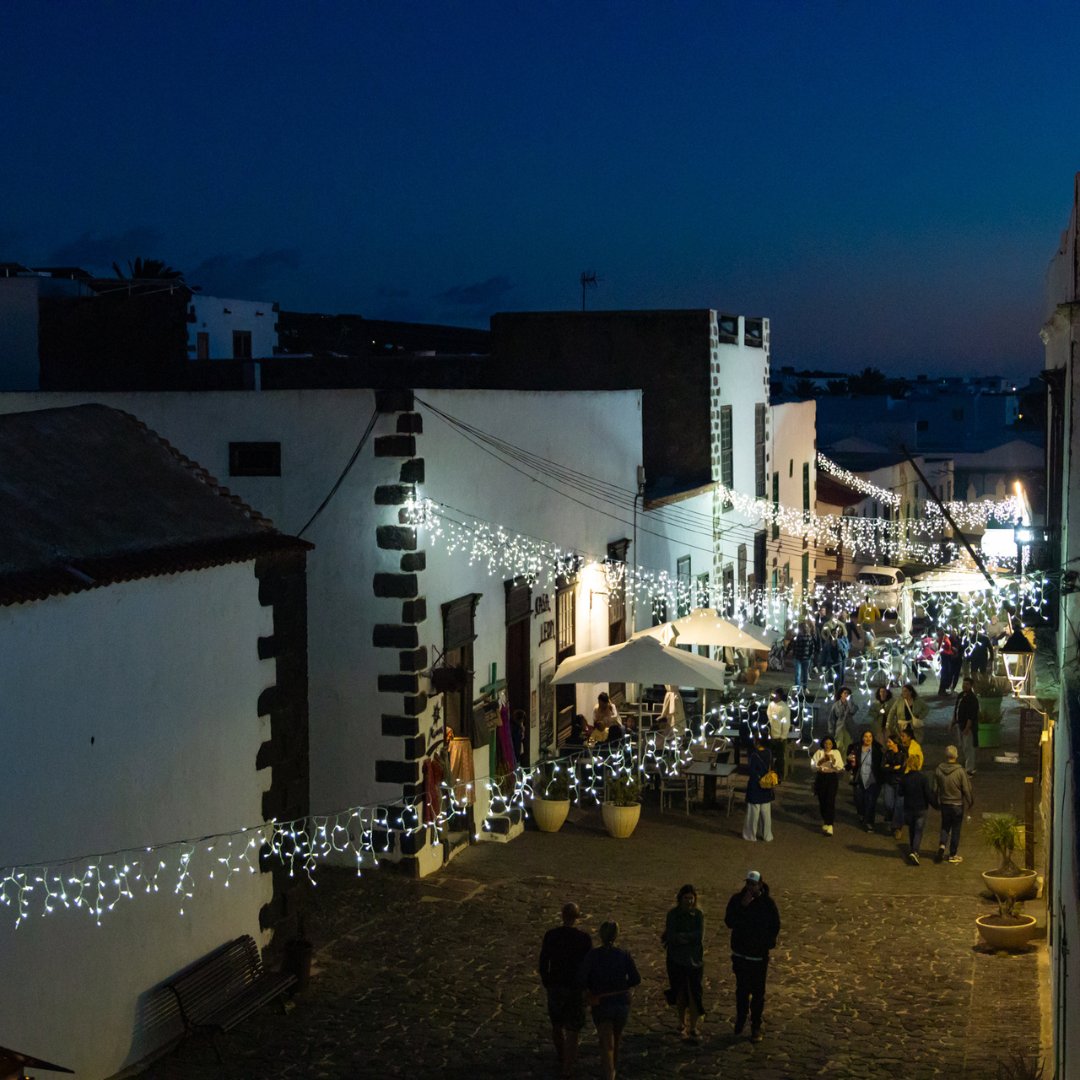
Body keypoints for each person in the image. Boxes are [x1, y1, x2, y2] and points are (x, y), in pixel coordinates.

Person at [578, 920, 641, 1080]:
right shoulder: (623, 954)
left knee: (606, 1043)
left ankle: (609, 1073)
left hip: (602, 1002)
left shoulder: (593, 955)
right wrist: (621, 985)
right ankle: (613, 1066)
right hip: (621, 1002)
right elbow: (635, 978)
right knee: (616, 1037)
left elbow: (582, 978)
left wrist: (589, 990)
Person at [725, 870, 781, 1043]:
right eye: (748, 883)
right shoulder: (737, 900)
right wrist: (742, 906)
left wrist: (767, 943)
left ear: (760, 885)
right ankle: (741, 1019)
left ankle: (755, 1025)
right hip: (741, 955)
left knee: (758, 993)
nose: (750, 887)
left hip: (758, 957)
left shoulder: (767, 904)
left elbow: (775, 925)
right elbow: (729, 921)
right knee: (741, 990)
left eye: (753, 884)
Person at [539, 902, 593, 1077]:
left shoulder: (551, 935)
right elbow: (587, 966)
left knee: (556, 1024)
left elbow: (543, 961)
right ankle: (567, 1066)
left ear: (562, 915)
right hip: (575, 987)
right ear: (577, 917)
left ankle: (562, 1055)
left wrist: (547, 981)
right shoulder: (584, 939)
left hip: (555, 985)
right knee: (573, 1029)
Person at [661, 884, 705, 1042]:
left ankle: (693, 1025)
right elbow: (672, 935)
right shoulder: (673, 914)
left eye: (691, 898)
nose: (689, 901)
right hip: (677, 959)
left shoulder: (698, 915)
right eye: (686, 898)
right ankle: (681, 1021)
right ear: (681, 898)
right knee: (679, 991)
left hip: (694, 960)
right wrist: (686, 937)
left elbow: (698, 935)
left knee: (694, 994)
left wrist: (683, 937)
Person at [934, 746, 975, 864]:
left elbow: (935, 788)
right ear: (956, 756)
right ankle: (952, 854)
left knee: (945, 826)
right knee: (956, 829)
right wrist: (970, 802)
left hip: (944, 803)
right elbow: (966, 789)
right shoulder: (960, 771)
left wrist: (936, 802)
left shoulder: (938, 769)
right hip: (957, 804)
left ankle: (942, 846)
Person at [899, 752, 936, 865]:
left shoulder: (904, 778)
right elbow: (928, 794)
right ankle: (914, 851)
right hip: (921, 808)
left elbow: (900, 793)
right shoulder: (923, 778)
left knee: (912, 829)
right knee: (918, 830)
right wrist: (936, 805)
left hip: (908, 808)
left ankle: (912, 849)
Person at [847, 728, 882, 833]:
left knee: (871, 801)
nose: (868, 739)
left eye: (870, 736)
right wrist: (850, 762)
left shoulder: (877, 749)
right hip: (860, 778)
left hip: (872, 779)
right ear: (862, 738)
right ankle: (861, 814)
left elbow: (881, 764)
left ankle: (869, 823)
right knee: (859, 800)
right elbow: (850, 763)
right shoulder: (856, 748)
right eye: (866, 736)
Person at [743, 736, 775, 842]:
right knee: (766, 813)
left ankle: (750, 835)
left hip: (755, 785)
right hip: (767, 784)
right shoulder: (769, 753)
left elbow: (751, 770)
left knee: (753, 811)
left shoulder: (754, 754)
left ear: (757, 742)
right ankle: (767, 835)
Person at [810, 735, 844, 835]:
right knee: (822, 800)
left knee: (830, 800)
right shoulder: (819, 752)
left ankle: (830, 824)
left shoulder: (836, 753)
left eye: (829, 743)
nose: (828, 745)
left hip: (832, 778)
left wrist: (833, 762)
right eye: (826, 743)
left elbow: (840, 767)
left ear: (832, 744)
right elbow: (813, 765)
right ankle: (825, 819)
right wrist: (819, 765)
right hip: (821, 777)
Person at [879, 734, 907, 840]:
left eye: (889, 742)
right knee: (888, 803)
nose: (887, 744)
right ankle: (892, 819)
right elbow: (882, 767)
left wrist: (889, 767)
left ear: (895, 743)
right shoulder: (887, 754)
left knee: (899, 805)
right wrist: (893, 767)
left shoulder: (903, 754)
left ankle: (897, 828)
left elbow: (901, 769)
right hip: (889, 782)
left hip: (900, 782)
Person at [952, 677, 979, 776]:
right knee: (964, 747)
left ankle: (969, 770)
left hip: (968, 727)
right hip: (960, 725)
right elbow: (957, 710)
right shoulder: (961, 695)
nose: (964, 686)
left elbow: (971, 715)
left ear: (971, 686)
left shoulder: (972, 699)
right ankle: (967, 767)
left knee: (969, 748)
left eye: (967, 684)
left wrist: (967, 728)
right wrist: (953, 722)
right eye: (964, 684)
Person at [766, 688, 792, 780]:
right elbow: (769, 715)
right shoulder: (771, 705)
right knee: (770, 756)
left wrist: (783, 736)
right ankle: (770, 773)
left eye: (775, 695)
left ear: (779, 696)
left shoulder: (784, 708)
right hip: (771, 735)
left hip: (779, 737)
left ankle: (779, 775)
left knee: (780, 757)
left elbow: (786, 723)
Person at [827, 686, 858, 756]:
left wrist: (849, 702)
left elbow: (853, 711)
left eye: (848, 694)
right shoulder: (836, 705)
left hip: (849, 728)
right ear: (841, 694)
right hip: (839, 728)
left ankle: (844, 763)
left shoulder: (851, 704)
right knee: (839, 745)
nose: (846, 695)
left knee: (848, 746)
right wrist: (831, 730)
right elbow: (831, 718)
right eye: (845, 693)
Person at [792, 622, 815, 692]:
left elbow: (812, 647)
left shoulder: (809, 637)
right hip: (798, 657)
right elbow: (793, 645)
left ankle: (804, 687)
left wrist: (810, 655)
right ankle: (797, 688)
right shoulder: (797, 637)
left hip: (806, 658)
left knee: (805, 673)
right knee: (798, 674)